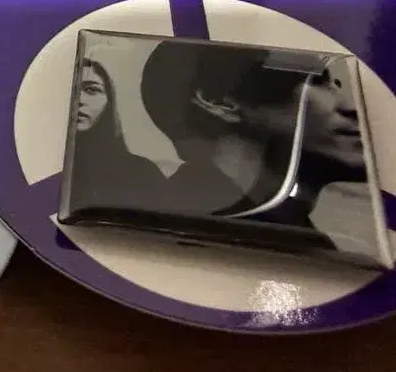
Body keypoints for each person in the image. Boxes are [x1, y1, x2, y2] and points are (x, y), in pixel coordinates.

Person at [139, 41, 369, 241]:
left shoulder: (277, 229)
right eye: (318, 81)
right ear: (220, 103)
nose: (351, 106)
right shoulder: (206, 233)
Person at [64, 58, 167, 216]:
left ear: (109, 100)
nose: (78, 100)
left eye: (91, 90)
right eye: (71, 90)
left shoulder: (143, 173)